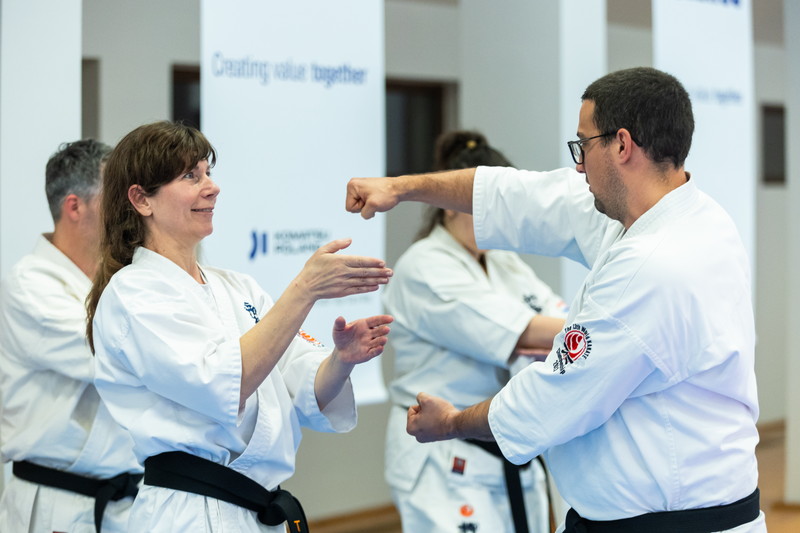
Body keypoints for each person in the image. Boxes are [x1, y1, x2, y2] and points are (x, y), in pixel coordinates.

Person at [347, 67, 764, 532]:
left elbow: (554, 398)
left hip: (675, 522)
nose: (579, 165)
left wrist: (450, 423)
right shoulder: (686, 215)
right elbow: (518, 195)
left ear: (622, 145)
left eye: (583, 145)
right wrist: (402, 188)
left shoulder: (655, 264)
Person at [85, 121, 393, 533]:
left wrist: (342, 360)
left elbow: (300, 387)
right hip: (189, 513)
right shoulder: (133, 293)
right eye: (190, 176)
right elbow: (221, 383)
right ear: (142, 200)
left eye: (207, 172)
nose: (211, 187)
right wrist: (304, 290)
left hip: (257, 509)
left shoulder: (238, 288)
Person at [383, 130, 567, 533]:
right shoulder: (424, 266)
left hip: (504, 448)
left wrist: (578, 334)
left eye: (504, 208)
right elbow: (523, 333)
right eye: (486, 206)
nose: (497, 221)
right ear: (448, 204)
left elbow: (559, 318)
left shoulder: (503, 260)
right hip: (442, 454)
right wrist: (599, 333)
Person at [0, 140, 142, 533]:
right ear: (75, 207)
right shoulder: (30, 285)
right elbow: (114, 355)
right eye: (116, 195)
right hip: (59, 503)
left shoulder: (124, 279)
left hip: (129, 500)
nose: (129, 208)